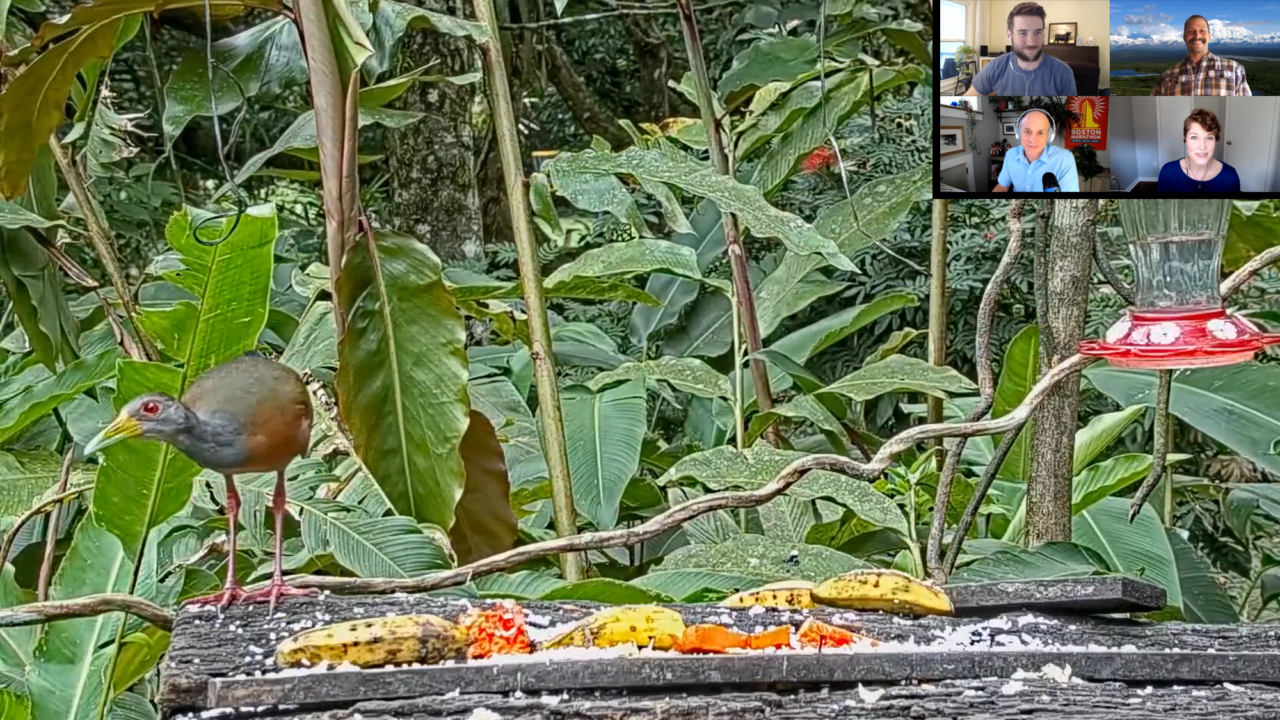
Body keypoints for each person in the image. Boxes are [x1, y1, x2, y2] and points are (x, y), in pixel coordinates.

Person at [963, 2, 1076, 96]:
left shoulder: (1063, 73)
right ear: (1009, 35)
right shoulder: (995, 68)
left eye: (1038, 32)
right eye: (1022, 33)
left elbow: (1071, 117)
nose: (1031, 41)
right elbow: (965, 102)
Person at [1149, 15, 1251, 95]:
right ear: (1184, 37)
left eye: (1202, 31)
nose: (1197, 36)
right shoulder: (1166, 77)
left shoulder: (1235, 69)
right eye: (1191, 31)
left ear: (1209, 36)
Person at [993, 108, 1080, 192]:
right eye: (1027, 131)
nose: (1032, 140)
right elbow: (1002, 187)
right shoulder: (1010, 154)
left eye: (1040, 133)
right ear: (1018, 134)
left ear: (1049, 136)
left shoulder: (1064, 159)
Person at [1157, 109, 1242, 191]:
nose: (1202, 147)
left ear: (1216, 140)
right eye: (1194, 137)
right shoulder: (1168, 173)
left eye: (1209, 138)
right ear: (1185, 139)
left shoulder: (1230, 177)